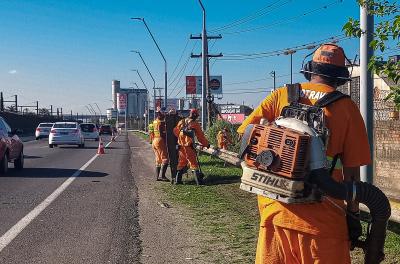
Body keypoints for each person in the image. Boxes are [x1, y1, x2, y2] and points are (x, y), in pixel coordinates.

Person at [237, 43, 371, 264]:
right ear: (340, 78)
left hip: (275, 214)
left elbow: (245, 138)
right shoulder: (347, 108)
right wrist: (353, 215)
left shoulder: (281, 95)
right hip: (324, 224)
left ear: (309, 69)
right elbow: (353, 176)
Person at [173, 108, 210, 185]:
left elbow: (175, 131)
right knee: (193, 163)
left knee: (181, 163)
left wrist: (181, 138)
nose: (197, 118)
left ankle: (177, 181)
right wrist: (206, 144)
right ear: (195, 115)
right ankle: (199, 182)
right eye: (197, 116)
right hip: (189, 147)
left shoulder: (181, 121)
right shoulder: (195, 124)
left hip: (181, 147)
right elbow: (200, 136)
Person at [152, 107, 169, 181]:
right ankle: (163, 176)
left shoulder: (155, 121)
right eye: (164, 114)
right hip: (160, 141)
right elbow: (162, 133)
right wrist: (166, 141)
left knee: (158, 159)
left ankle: (157, 177)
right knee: (165, 159)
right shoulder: (161, 123)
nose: (165, 116)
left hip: (154, 140)